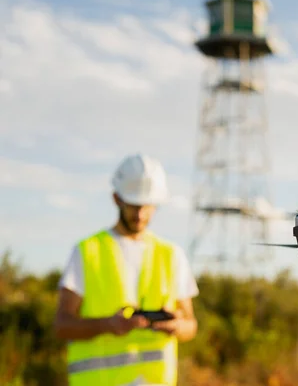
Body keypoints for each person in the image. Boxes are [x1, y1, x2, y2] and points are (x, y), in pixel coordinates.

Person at [53, 153, 199, 386]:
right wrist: (106, 325)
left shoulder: (172, 255)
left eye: (146, 206)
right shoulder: (87, 251)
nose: (140, 214)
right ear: (117, 199)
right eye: (133, 204)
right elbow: (61, 326)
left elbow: (190, 325)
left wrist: (177, 326)